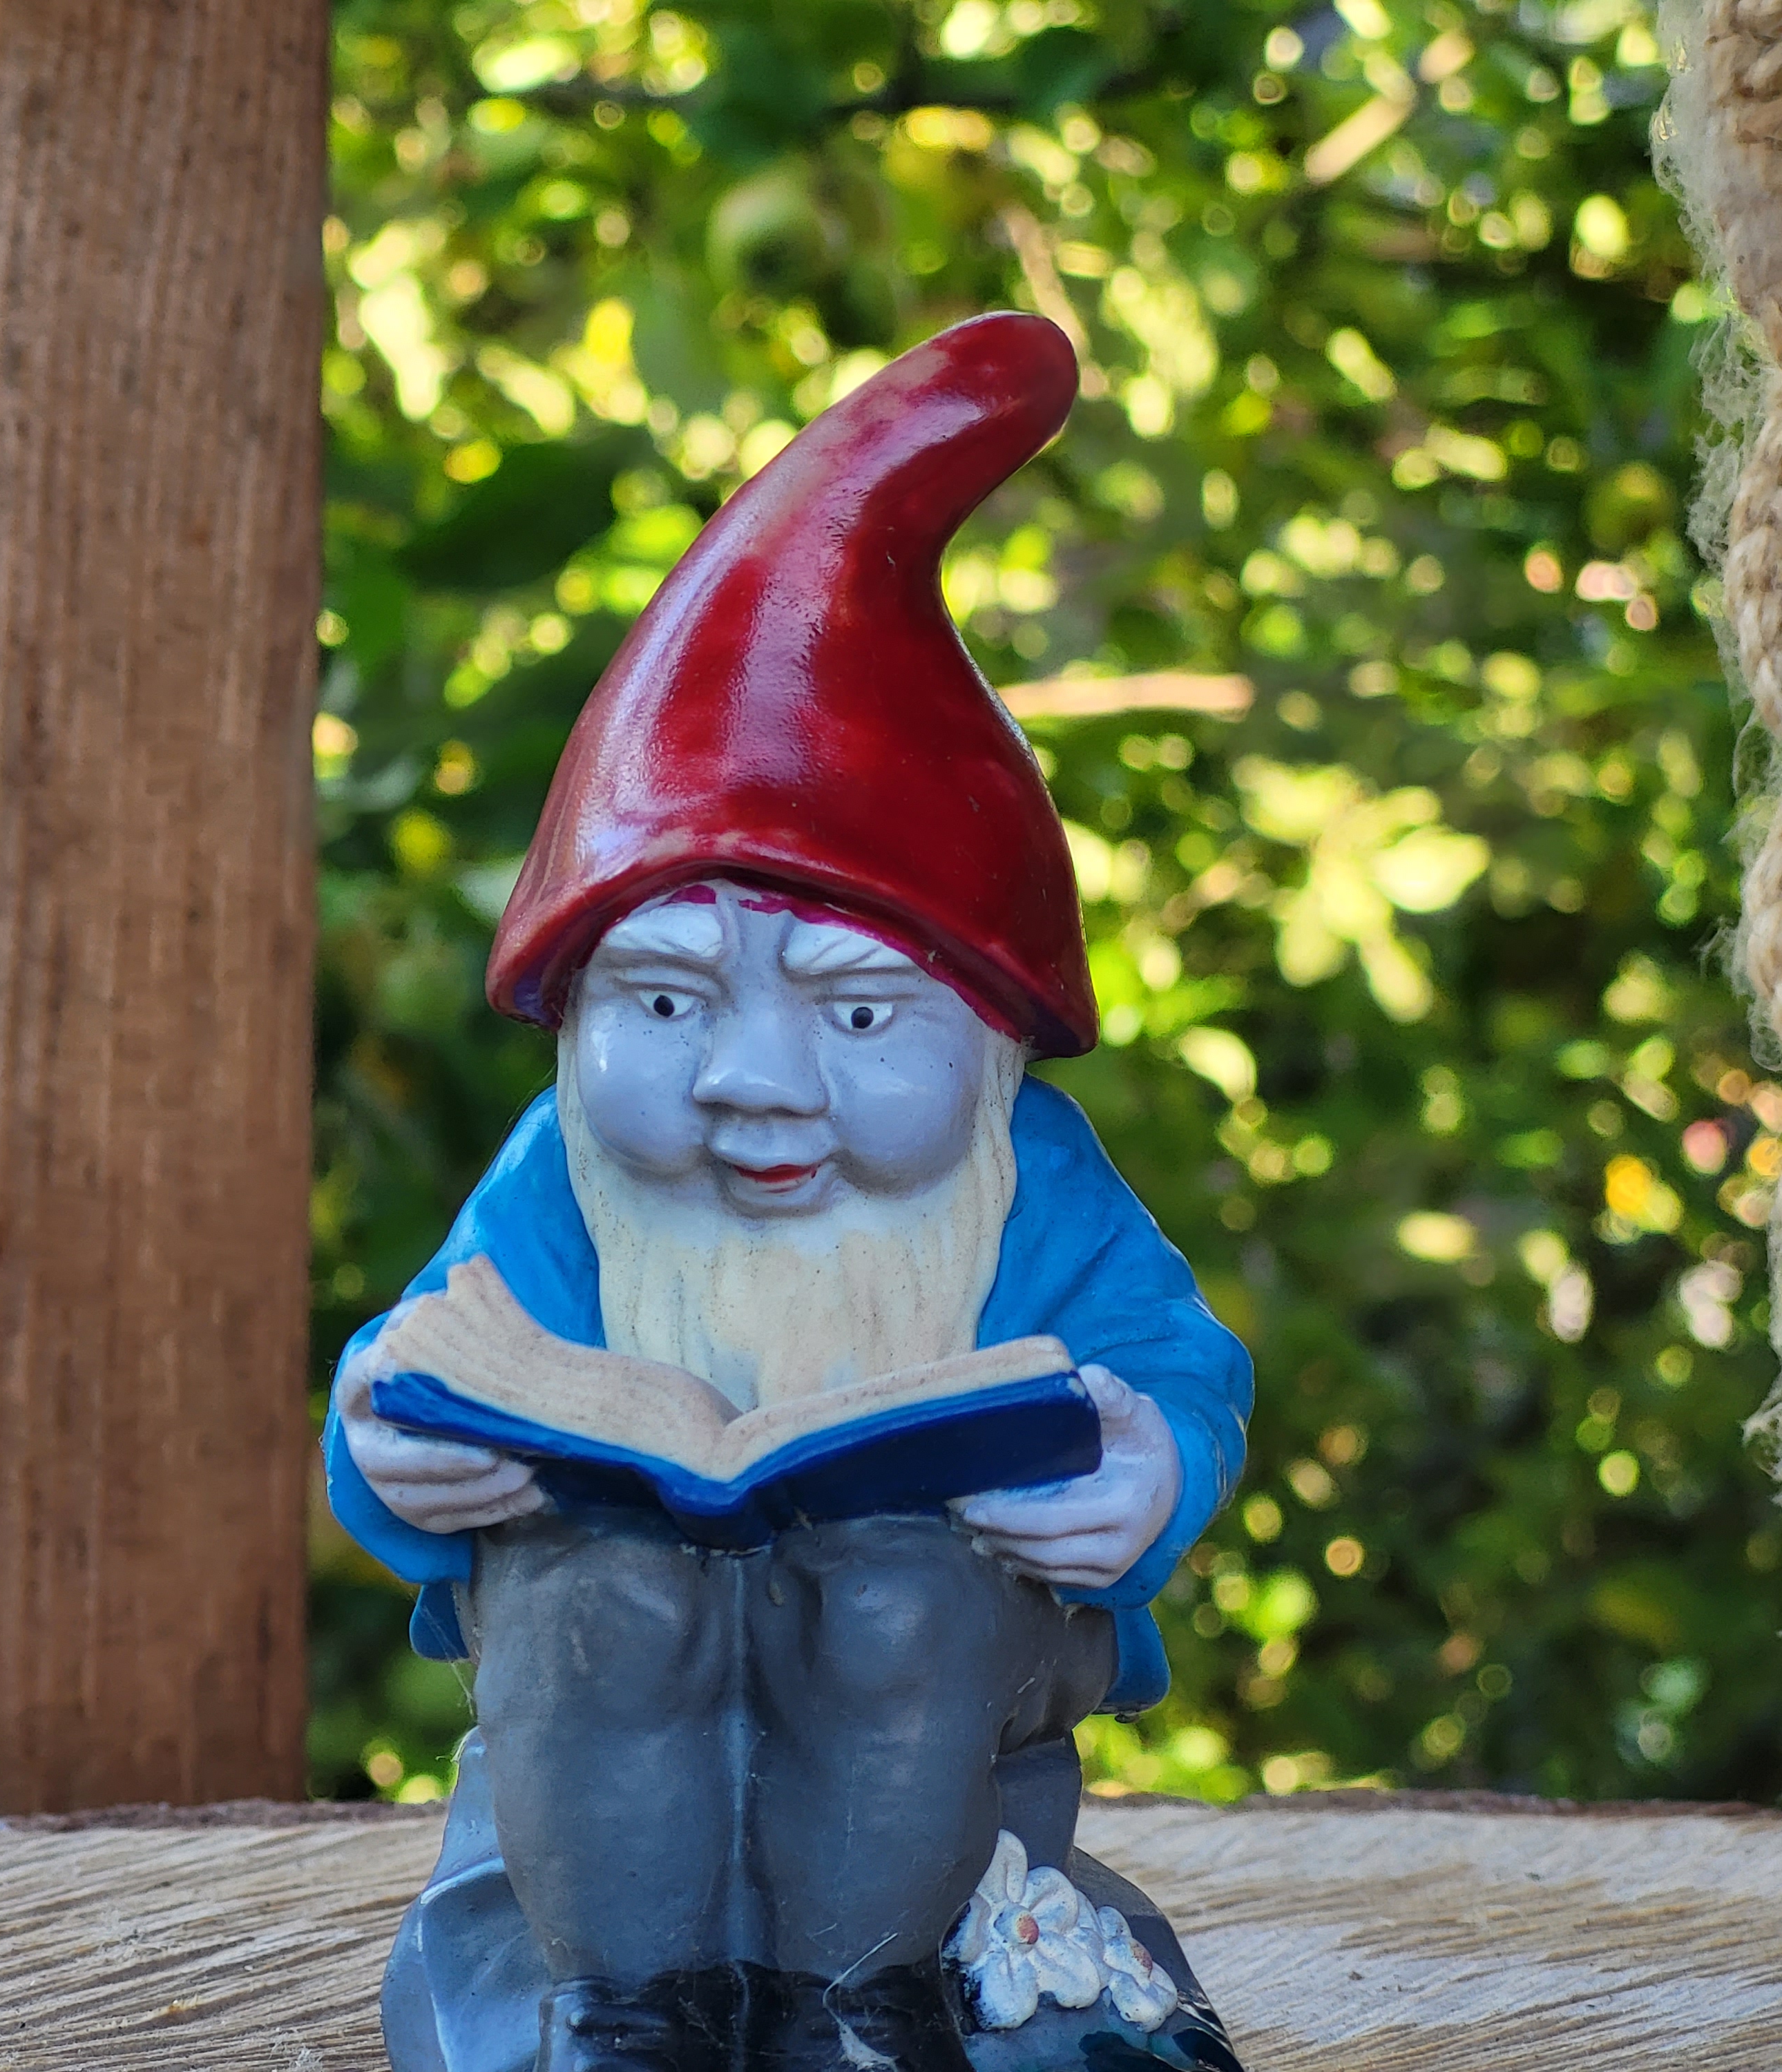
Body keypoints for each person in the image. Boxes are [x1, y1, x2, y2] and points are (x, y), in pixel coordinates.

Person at [324, 315, 1254, 2072]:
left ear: (990, 1039)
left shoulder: (1031, 1181)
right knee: (590, 1603)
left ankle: (862, 2008)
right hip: (608, 1726)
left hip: (952, 1694)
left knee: (896, 1596)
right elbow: (428, 1359)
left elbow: (1174, 1370)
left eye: (857, 1014)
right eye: (666, 1002)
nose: (752, 1081)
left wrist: (1146, 1472)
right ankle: (625, 2012)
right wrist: (391, 1445)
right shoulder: (567, 1176)